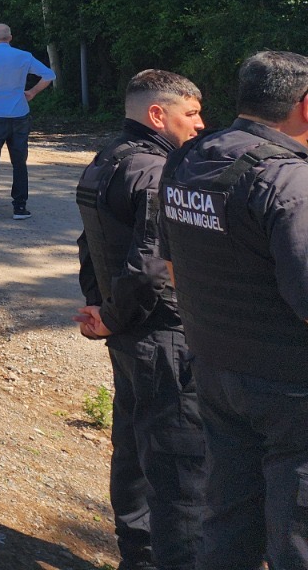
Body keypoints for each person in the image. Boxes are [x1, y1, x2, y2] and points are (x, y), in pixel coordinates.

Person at [160, 51, 308, 570]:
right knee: (296, 533)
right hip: (290, 390)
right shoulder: (291, 181)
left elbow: (172, 267)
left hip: (217, 371)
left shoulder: (188, 159)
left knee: (229, 518)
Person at [75, 70, 207, 570]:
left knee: (132, 453)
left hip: (130, 335)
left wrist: (102, 310)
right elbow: (151, 267)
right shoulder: (157, 172)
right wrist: (109, 315)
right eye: (191, 113)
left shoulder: (107, 159)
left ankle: (138, 558)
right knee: (180, 470)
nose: (200, 124)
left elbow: (90, 245)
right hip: (162, 338)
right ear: (157, 114)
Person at [0, 23, 54, 218]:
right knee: (19, 163)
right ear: (10, 37)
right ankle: (20, 207)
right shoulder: (24, 56)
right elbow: (49, 75)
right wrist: (32, 92)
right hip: (19, 115)